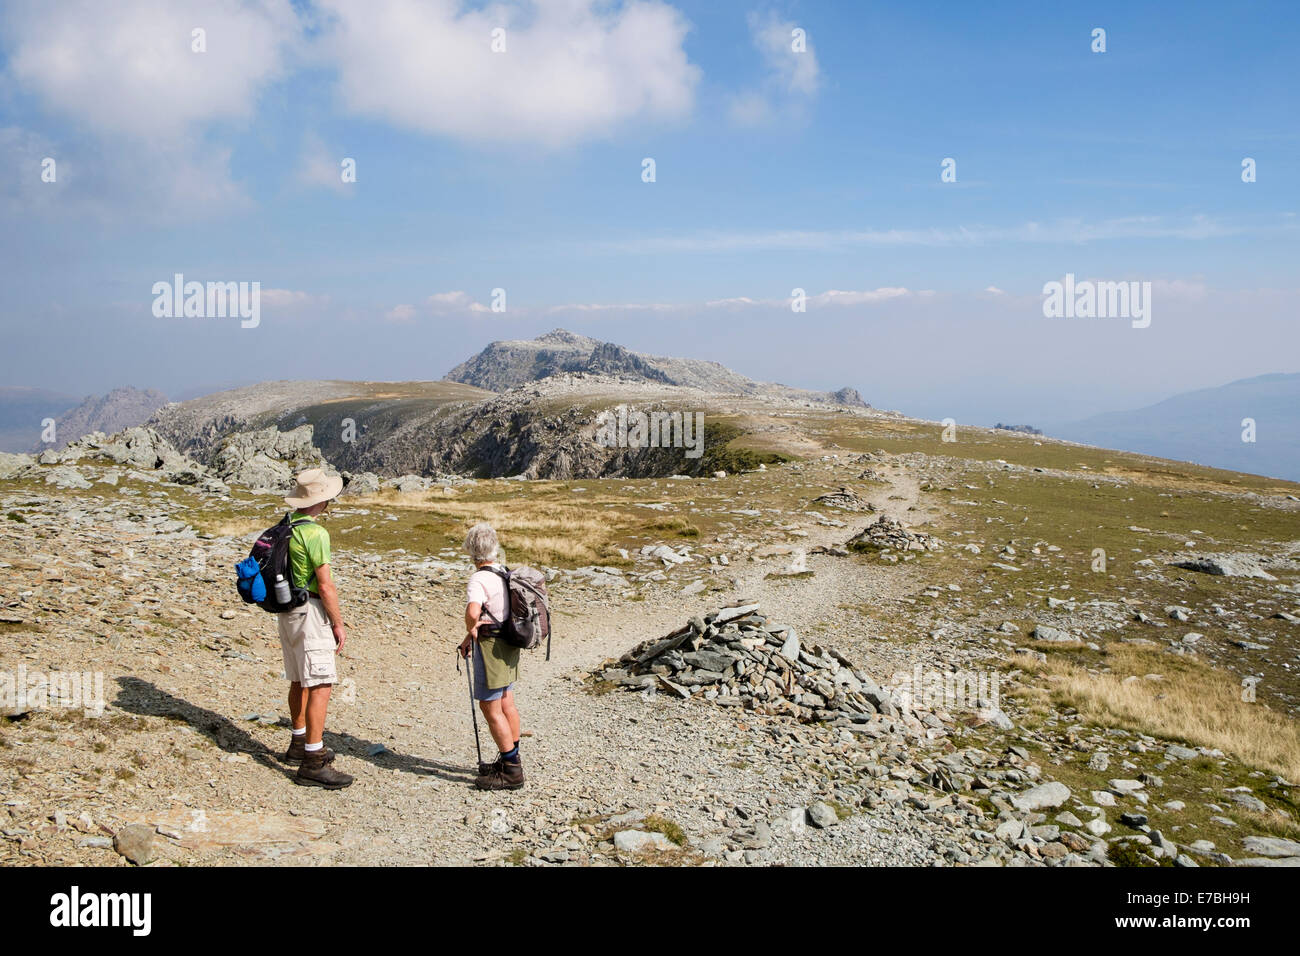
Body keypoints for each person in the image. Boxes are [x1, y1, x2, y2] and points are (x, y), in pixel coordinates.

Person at [278, 468, 354, 789]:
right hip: (310, 611)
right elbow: (326, 586)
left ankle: (298, 741)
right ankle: (313, 759)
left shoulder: (285, 526)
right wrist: (338, 623)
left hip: (286, 612)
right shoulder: (316, 534)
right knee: (321, 681)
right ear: (322, 501)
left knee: (298, 678)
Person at [459, 523, 524, 790]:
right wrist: (468, 637)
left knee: (490, 706)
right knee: (506, 700)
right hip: (509, 644)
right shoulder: (503, 572)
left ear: (470, 550)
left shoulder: (478, 578)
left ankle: (511, 771)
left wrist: (468, 626)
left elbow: (475, 612)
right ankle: (510, 756)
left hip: (491, 648)